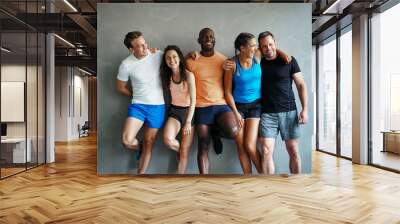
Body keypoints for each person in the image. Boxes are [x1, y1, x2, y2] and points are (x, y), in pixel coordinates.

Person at [224, 32, 291, 174]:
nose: (256, 48)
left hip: (256, 106)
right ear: (242, 48)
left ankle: (263, 177)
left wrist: (283, 53)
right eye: (252, 45)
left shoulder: (257, 56)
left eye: (256, 45)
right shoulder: (232, 64)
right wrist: (235, 113)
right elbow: (227, 92)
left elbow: (271, 48)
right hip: (238, 107)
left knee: (249, 145)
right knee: (241, 146)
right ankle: (248, 178)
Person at [186, 28, 239, 174]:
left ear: (214, 39)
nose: (208, 39)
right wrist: (187, 55)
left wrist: (234, 68)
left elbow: (235, 76)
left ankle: (215, 132)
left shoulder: (223, 60)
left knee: (234, 131)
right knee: (203, 144)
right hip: (201, 106)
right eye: (204, 37)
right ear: (199, 40)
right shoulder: (192, 60)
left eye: (211, 36)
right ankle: (204, 179)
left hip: (221, 105)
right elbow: (176, 64)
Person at [257, 31, 308, 174]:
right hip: (267, 113)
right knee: (266, 150)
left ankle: (296, 184)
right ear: (260, 48)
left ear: (275, 43)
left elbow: (301, 85)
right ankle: (269, 185)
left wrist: (305, 109)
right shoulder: (257, 62)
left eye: (271, 44)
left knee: (293, 149)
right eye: (264, 46)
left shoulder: (289, 61)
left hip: (289, 111)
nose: (268, 48)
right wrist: (278, 51)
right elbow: (252, 50)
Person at [116, 31, 165, 174]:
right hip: (138, 106)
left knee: (150, 144)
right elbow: (120, 87)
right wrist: (135, 94)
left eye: (145, 43)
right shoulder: (126, 64)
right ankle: (140, 145)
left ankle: (140, 176)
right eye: (141, 46)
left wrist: (194, 54)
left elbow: (177, 59)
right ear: (132, 49)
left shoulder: (158, 55)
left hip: (157, 107)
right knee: (126, 141)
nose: (146, 47)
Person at [161, 45, 196, 174]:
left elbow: (194, 100)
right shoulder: (168, 76)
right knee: (168, 140)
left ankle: (180, 179)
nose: (171, 60)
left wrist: (188, 121)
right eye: (168, 58)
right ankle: (182, 151)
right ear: (165, 61)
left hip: (188, 113)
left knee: (185, 152)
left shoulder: (188, 75)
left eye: (174, 56)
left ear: (179, 58)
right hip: (175, 112)